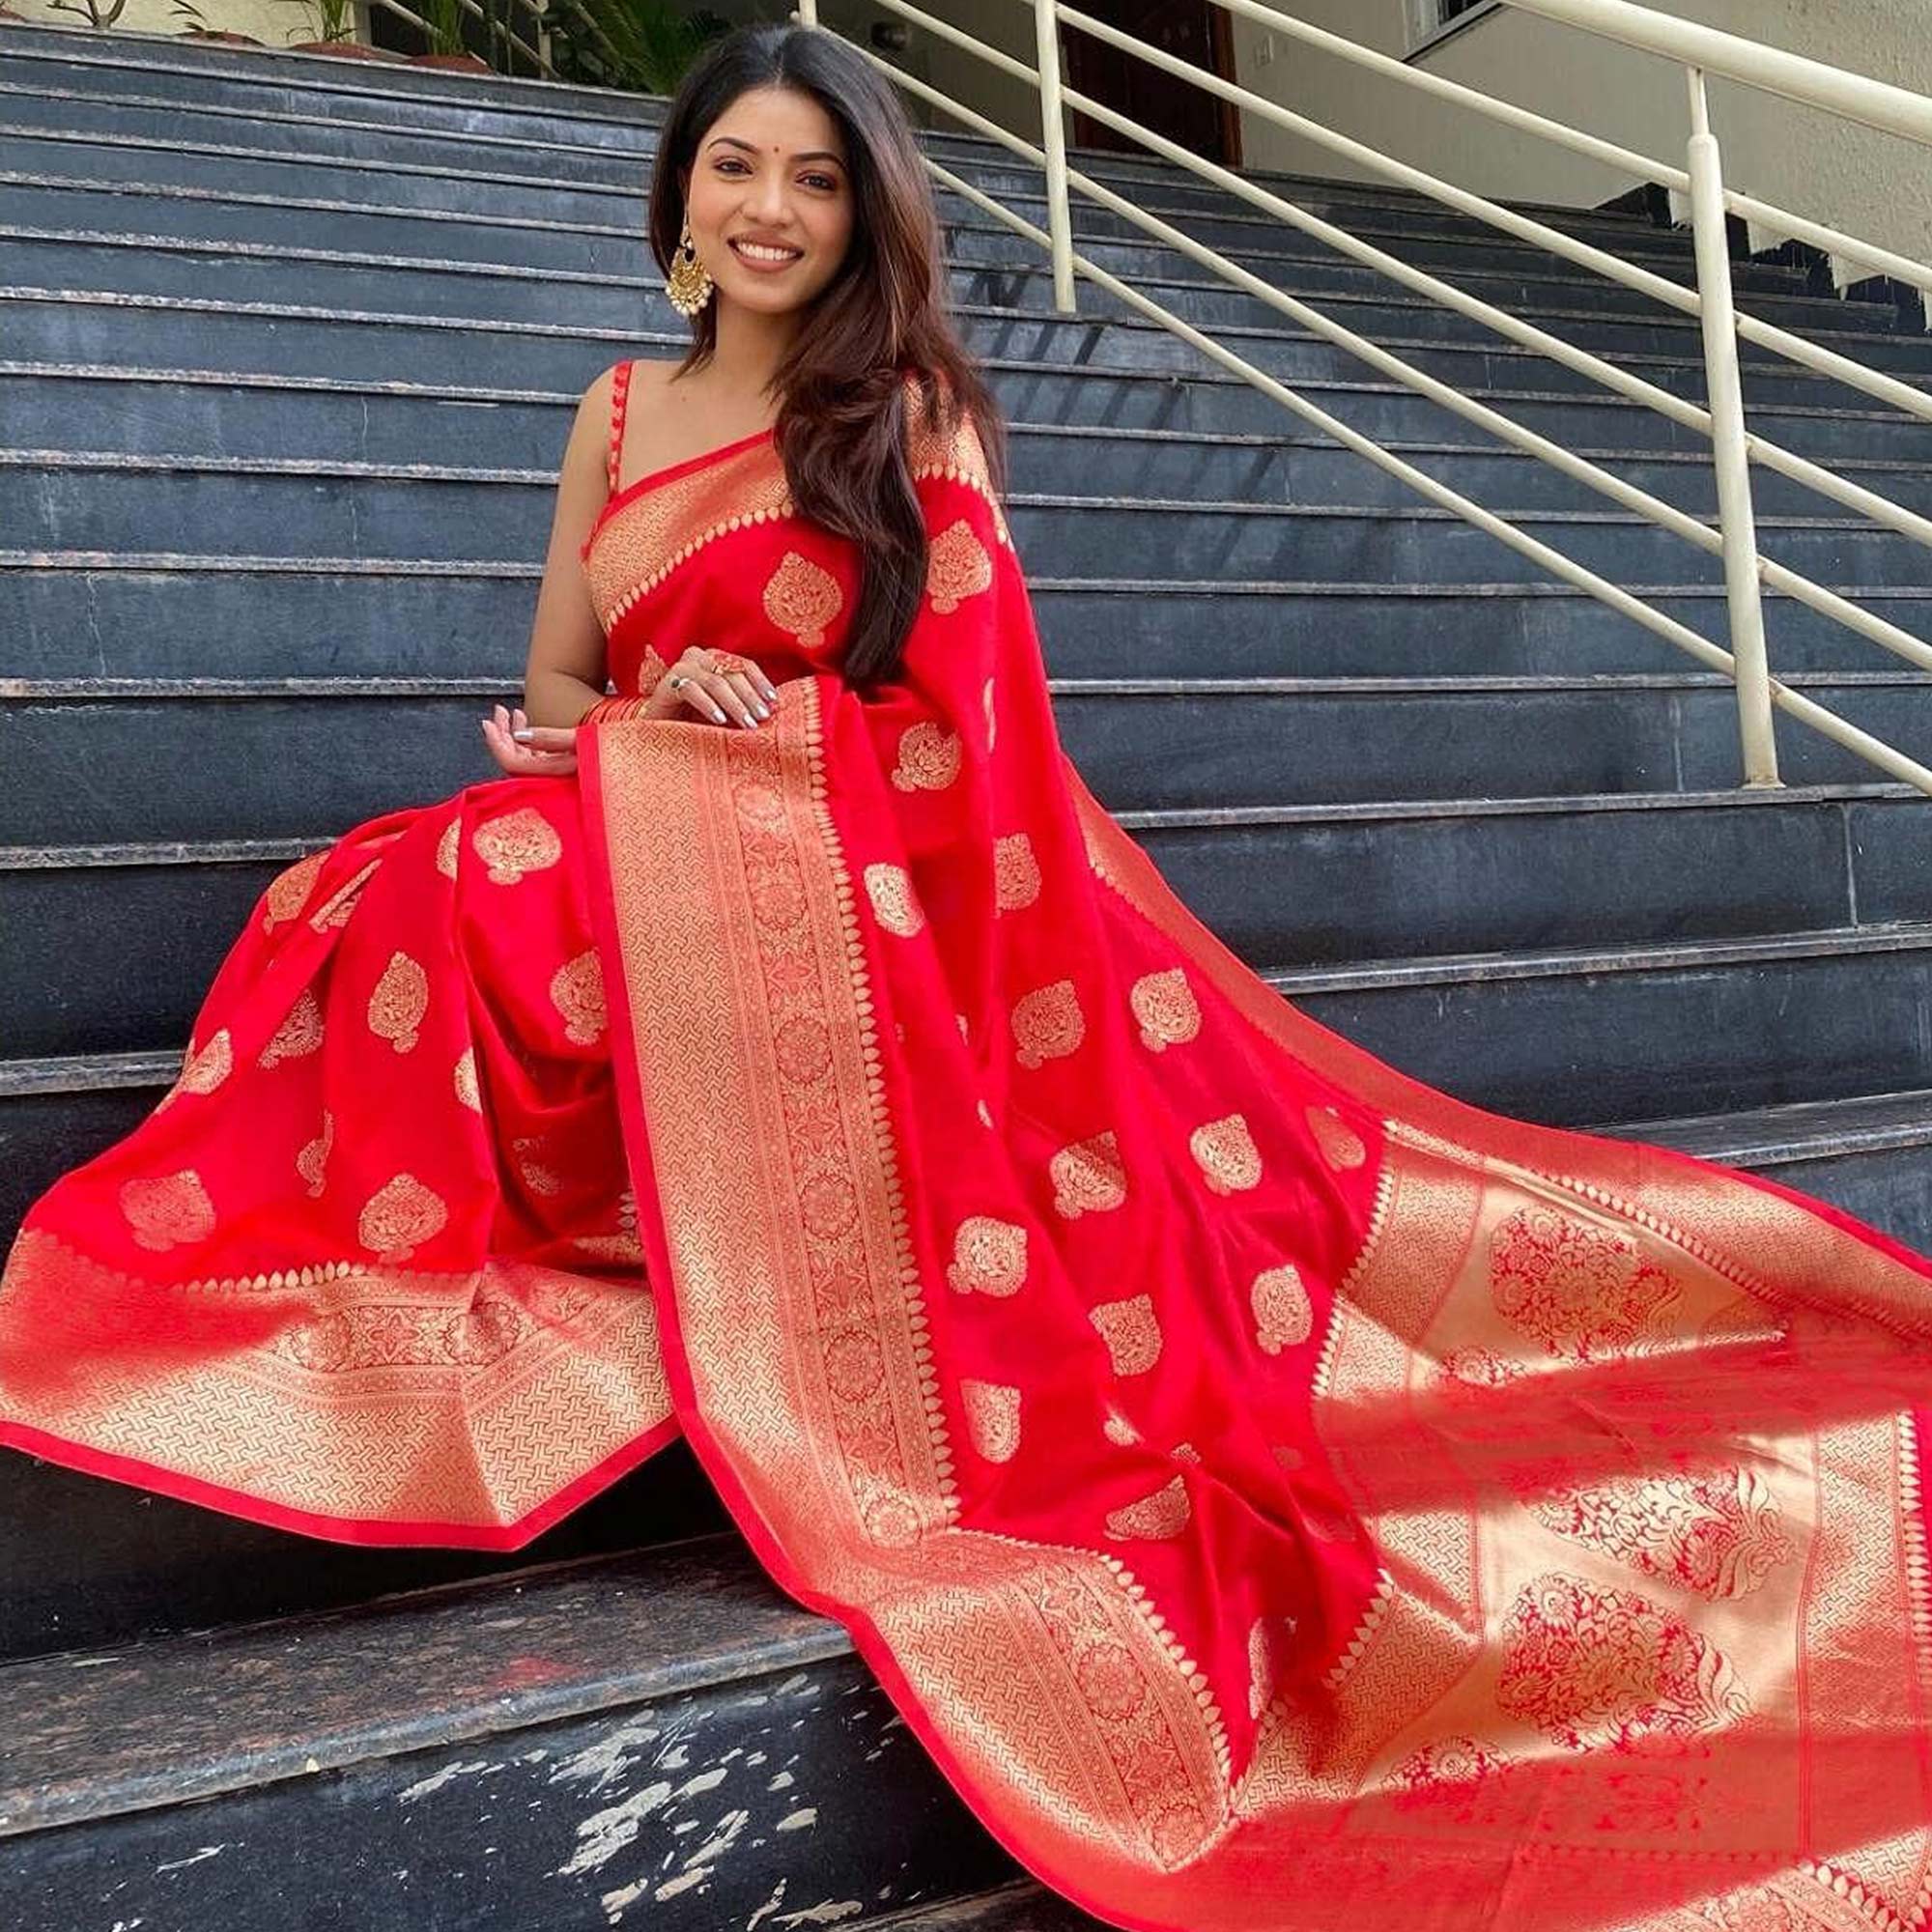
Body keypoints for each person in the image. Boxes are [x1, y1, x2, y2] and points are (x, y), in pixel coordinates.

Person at [4, 20, 1931, 1929]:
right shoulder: (614, 412)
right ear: (680, 189)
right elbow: (554, 688)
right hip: (651, 813)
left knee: (482, 883)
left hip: (863, 886)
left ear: (866, 216)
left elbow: (974, 731)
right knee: (380, 885)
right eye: (738, 166)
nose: (769, 207)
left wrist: (769, 758)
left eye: (816, 177)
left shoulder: (908, 410)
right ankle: (425, 1282)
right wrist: (655, 700)